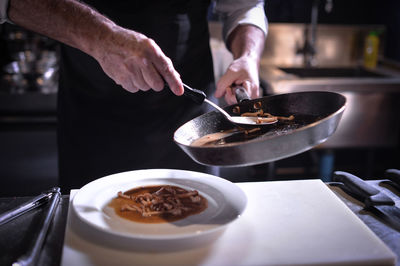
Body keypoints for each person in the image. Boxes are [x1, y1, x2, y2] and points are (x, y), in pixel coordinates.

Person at [0, 0, 268, 192]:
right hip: (93, 116)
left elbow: (244, 6)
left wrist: (247, 56)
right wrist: (100, 36)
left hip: (190, 121)